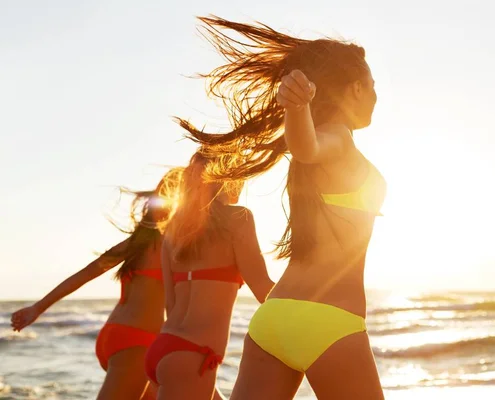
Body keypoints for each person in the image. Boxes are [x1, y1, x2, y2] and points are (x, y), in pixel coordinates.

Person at [178, 16, 386, 400]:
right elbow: (306, 148)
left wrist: (298, 110)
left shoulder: (328, 145)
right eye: (373, 86)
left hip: (274, 319)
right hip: (329, 322)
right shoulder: (337, 139)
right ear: (356, 88)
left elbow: (306, 147)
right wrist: (296, 108)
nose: (376, 95)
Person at [11, 170, 179, 400]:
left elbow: (84, 275)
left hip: (116, 335)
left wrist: (38, 308)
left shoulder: (135, 243)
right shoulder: (174, 245)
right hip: (137, 344)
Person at [144, 151, 274, 400]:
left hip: (165, 348)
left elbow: (171, 305)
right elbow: (263, 289)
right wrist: (308, 300)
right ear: (227, 176)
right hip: (195, 356)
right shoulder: (238, 219)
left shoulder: (173, 230)